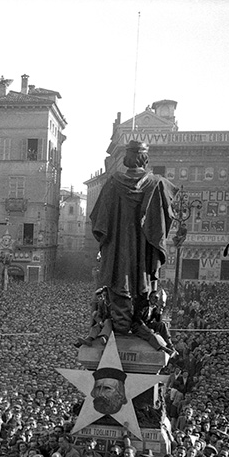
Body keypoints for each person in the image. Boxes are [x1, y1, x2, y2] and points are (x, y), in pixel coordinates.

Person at [90, 140, 177, 334]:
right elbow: (168, 217)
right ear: (145, 159)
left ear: (126, 159)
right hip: (145, 251)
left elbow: (99, 220)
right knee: (143, 286)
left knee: (118, 281)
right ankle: (139, 323)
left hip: (118, 250)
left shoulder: (113, 182)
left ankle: (120, 326)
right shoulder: (157, 183)